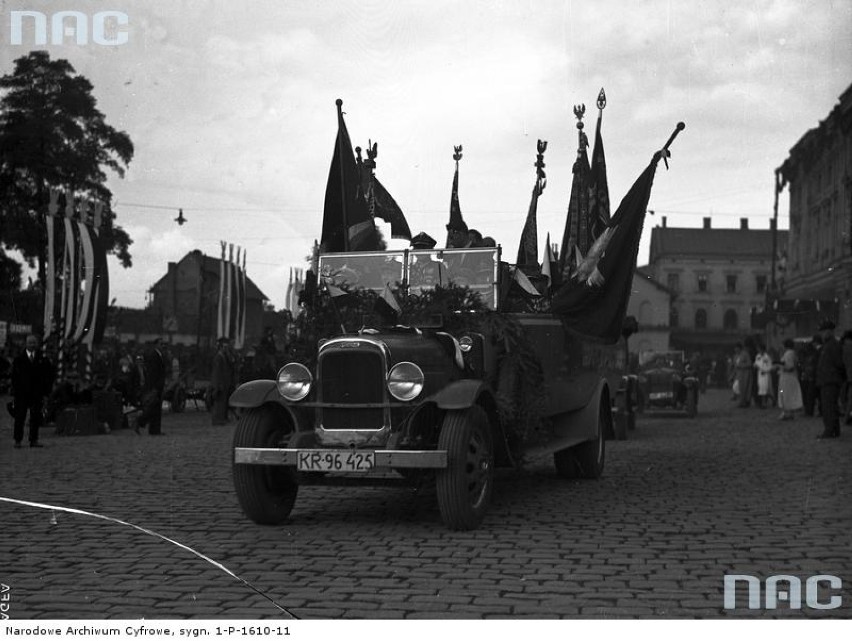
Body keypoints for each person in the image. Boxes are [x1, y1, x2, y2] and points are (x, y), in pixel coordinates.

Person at [11, 335, 53, 448]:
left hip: (37, 393)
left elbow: (48, 376)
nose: (32, 345)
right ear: (26, 344)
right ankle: (18, 440)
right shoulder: (19, 359)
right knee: (20, 417)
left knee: (35, 417)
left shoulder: (42, 359)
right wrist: (15, 392)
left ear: (37, 344)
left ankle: (34, 440)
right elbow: (14, 377)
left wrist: (46, 393)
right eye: (30, 343)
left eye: (34, 343)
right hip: (22, 393)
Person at [815, 319, 846, 439]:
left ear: (829, 332)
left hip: (830, 380)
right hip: (827, 380)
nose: (822, 334)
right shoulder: (829, 345)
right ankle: (834, 430)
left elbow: (838, 363)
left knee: (828, 407)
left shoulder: (832, 345)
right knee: (831, 406)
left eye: (823, 332)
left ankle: (829, 430)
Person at [136, 338, 166, 436]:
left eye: (164, 344)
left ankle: (154, 430)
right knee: (153, 409)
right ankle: (140, 422)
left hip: (157, 386)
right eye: (161, 344)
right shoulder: (154, 356)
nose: (163, 346)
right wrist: (155, 388)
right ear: (156, 345)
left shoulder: (158, 355)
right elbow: (153, 373)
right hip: (155, 387)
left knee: (155, 409)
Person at [777, 339, 803, 420]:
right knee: (786, 394)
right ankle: (789, 412)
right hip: (788, 378)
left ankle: (786, 412)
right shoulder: (791, 353)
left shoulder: (789, 354)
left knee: (784, 394)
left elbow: (790, 366)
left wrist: (781, 367)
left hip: (787, 378)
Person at [211, 337, 235, 425]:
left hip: (225, 382)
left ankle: (221, 418)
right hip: (220, 383)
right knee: (219, 402)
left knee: (223, 402)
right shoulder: (219, 357)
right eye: (224, 347)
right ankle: (217, 419)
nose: (226, 349)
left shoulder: (224, 356)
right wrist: (218, 384)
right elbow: (217, 372)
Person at [799, 335, 822, 416]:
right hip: (810, 376)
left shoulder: (814, 355)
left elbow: (812, 366)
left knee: (810, 396)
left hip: (812, 377)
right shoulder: (812, 354)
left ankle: (809, 411)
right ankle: (810, 411)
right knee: (811, 395)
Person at [734, 342, 753, 407]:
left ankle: (745, 402)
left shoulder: (745, 354)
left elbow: (749, 363)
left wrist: (741, 366)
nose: (736, 350)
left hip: (745, 374)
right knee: (738, 388)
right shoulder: (736, 356)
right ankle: (741, 401)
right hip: (739, 374)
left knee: (745, 388)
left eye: (737, 348)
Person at [754, 344, 773, 409]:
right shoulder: (758, 356)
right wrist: (756, 366)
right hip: (759, 374)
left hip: (765, 375)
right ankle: (764, 402)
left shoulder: (767, 357)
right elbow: (756, 363)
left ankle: (764, 403)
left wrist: (765, 370)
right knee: (761, 388)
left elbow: (770, 366)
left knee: (765, 388)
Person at [841, 329, 852, 425]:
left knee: (847, 398)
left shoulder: (844, 347)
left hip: (846, 376)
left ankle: (847, 416)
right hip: (848, 376)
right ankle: (847, 416)